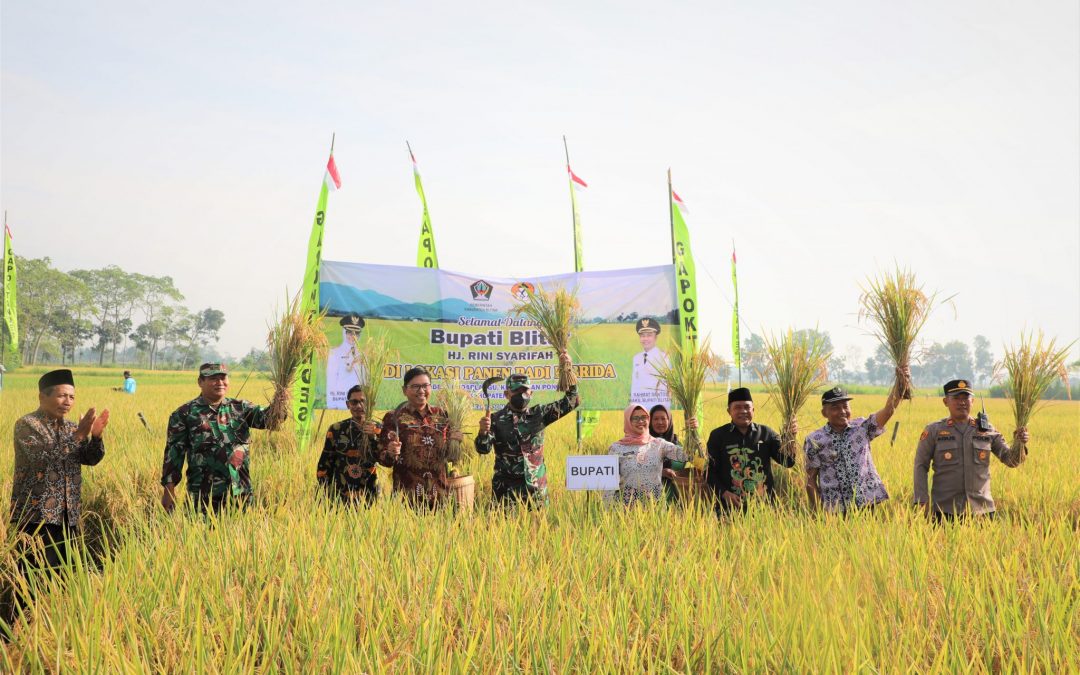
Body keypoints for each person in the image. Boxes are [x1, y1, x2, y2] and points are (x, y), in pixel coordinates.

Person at [11, 369, 109, 569]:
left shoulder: (72, 427)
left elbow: (89, 459)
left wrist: (96, 437)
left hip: (68, 515)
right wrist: (79, 436)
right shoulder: (27, 425)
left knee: (64, 575)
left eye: (72, 397)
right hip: (37, 516)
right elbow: (41, 460)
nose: (68, 402)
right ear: (42, 396)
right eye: (62, 395)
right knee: (34, 576)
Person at [160, 363, 287, 514]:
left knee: (241, 536)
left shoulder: (241, 408)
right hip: (203, 496)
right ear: (200, 382)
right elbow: (174, 453)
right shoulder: (184, 414)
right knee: (203, 536)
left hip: (241, 494)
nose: (220, 382)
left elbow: (270, 420)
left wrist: (280, 402)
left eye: (223, 378)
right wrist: (169, 490)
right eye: (213, 378)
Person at [913, 379, 1030, 520]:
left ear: (972, 401)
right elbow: (920, 466)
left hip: (982, 510)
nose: (962, 402)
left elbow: (1011, 460)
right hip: (945, 510)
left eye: (966, 398)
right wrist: (921, 501)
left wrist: (1020, 443)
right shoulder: (934, 431)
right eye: (956, 398)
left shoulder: (987, 430)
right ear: (946, 402)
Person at [475, 352, 579, 507]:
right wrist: (483, 432)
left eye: (525, 391)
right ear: (506, 394)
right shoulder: (496, 419)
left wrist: (567, 369)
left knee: (539, 530)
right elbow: (483, 449)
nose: (521, 395)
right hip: (506, 490)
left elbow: (572, 401)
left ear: (531, 393)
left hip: (536, 489)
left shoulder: (540, 414)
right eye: (516, 391)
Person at [803, 366, 910, 513]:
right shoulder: (815, 440)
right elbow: (810, 480)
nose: (842, 411)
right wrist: (818, 513)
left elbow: (888, 410)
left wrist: (900, 382)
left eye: (845, 406)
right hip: (834, 510)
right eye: (835, 407)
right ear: (824, 413)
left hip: (867, 505)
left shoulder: (862, 428)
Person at [378, 367, 461, 508]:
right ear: (404, 390)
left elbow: (452, 457)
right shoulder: (394, 417)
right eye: (415, 386)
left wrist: (456, 441)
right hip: (405, 499)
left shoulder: (443, 416)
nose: (421, 391)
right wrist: (391, 453)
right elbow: (382, 458)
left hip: (440, 497)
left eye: (425, 386)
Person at [705, 387, 796, 513]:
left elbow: (788, 461)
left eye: (747, 407)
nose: (743, 411)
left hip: (764, 507)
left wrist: (790, 438)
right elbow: (709, 471)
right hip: (729, 508)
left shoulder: (767, 434)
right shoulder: (718, 436)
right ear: (729, 411)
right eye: (737, 407)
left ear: (753, 410)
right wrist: (725, 494)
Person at [605, 404, 693, 506]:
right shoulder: (616, 448)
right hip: (626, 507)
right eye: (635, 418)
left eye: (644, 417)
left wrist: (691, 431)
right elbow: (609, 484)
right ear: (628, 421)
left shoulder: (658, 444)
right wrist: (607, 510)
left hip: (655, 507)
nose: (640, 421)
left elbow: (687, 455)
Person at [317, 385, 381, 505]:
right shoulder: (336, 429)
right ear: (348, 404)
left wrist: (373, 437)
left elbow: (384, 459)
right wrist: (324, 491)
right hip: (340, 493)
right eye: (354, 402)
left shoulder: (379, 429)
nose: (359, 406)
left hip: (369, 493)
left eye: (363, 401)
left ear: (372, 403)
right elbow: (325, 462)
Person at [326, 313, 367, 409]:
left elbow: (366, 382)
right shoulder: (334, 353)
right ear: (344, 332)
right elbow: (331, 382)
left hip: (359, 405)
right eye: (349, 332)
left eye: (356, 333)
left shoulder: (363, 355)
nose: (353, 336)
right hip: (340, 402)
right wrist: (331, 406)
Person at [629, 317, 671, 408]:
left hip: (658, 407)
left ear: (655, 337)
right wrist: (632, 406)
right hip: (639, 407)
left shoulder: (664, 357)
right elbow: (634, 384)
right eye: (642, 336)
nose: (645, 339)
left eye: (649, 335)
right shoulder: (636, 358)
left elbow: (668, 387)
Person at [650, 404, 686, 502]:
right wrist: (660, 472)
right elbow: (634, 472)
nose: (660, 422)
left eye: (663, 418)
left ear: (669, 420)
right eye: (656, 419)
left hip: (676, 496)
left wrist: (693, 431)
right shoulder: (644, 445)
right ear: (650, 421)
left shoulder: (678, 444)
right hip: (650, 498)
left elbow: (695, 458)